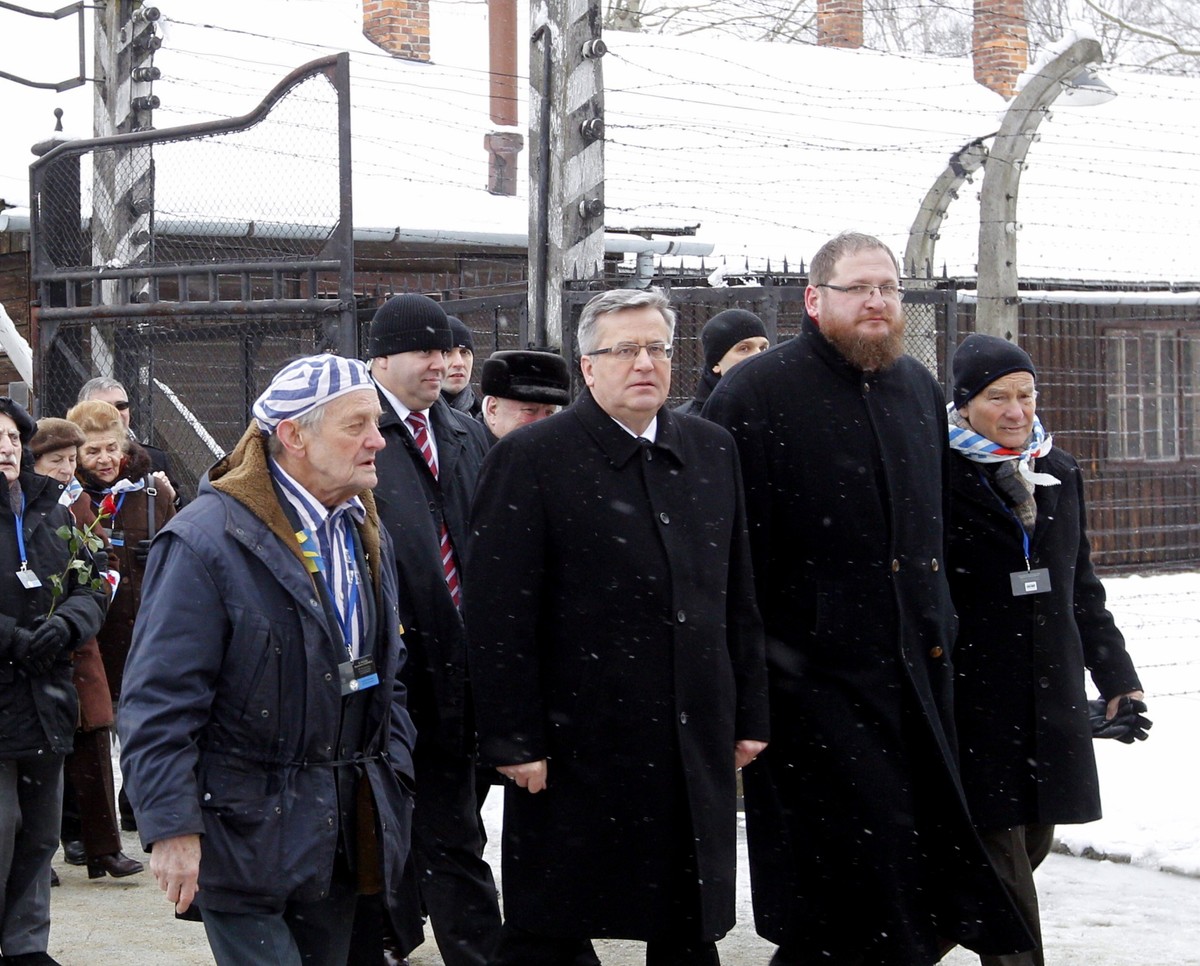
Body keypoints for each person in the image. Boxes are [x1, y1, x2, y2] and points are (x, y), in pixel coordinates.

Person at [703, 231, 1032, 965]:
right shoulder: (756, 392)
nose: (879, 301)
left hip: (917, 675)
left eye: (889, 288)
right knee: (843, 889)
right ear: (815, 300)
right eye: (860, 288)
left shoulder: (915, 385)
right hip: (811, 687)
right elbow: (723, 547)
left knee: (914, 878)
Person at [466, 288, 769, 966]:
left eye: (657, 348)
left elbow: (737, 593)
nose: (644, 364)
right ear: (588, 365)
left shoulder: (711, 450)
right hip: (578, 738)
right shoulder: (532, 458)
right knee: (555, 919)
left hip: (691, 729)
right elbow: (497, 614)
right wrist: (513, 737)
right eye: (624, 350)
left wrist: (748, 709)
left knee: (687, 920)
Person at [118, 354, 417, 966]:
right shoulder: (207, 540)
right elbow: (158, 699)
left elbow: (390, 676)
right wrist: (172, 827)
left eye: (378, 423)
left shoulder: (365, 529)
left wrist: (395, 773)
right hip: (241, 831)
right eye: (357, 424)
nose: (377, 441)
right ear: (294, 436)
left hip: (340, 831)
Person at [945, 334, 1149, 966]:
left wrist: (1116, 676)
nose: (1016, 412)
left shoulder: (1058, 472)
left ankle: (884, 946)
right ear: (963, 404)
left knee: (1024, 847)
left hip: (1048, 698)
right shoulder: (933, 472)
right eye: (997, 397)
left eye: (1026, 395)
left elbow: (1081, 587)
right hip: (971, 700)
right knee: (1000, 862)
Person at [366, 294, 497, 966]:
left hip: (460, 669)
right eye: (424, 351)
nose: (439, 363)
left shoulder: (464, 432)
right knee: (386, 826)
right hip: (386, 671)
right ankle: (391, 929)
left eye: (445, 351)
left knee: (453, 831)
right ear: (382, 357)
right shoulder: (357, 433)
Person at [1, 397, 107, 966]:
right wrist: (13, 640)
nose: (7, 448)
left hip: (46, 696)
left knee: (40, 836)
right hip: (3, 688)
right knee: (0, 832)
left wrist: (66, 624)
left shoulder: (56, 513)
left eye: (14, 439)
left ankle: (25, 947)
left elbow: (94, 583)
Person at [27, 419, 142, 882]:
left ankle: (102, 848)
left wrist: (91, 595)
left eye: (70, 460)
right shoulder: (25, 509)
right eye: (56, 461)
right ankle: (44, 851)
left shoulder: (80, 504)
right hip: (35, 649)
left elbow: (103, 560)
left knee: (93, 742)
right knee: (42, 757)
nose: (66, 469)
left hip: (80, 642)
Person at [64, 400, 176, 834]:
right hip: (95, 637)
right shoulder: (68, 499)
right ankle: (89, 829)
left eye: (111, 448)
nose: (105, 460)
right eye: (92, 452)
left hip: (146, 632)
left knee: (144, 731)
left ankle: (138, 809)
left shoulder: (153, 494)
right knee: (93, 736)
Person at [75, 377, 174, 487]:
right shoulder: (65, 464)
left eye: (121, 406)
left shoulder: (155, 459)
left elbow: (181, 503)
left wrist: (170, 495)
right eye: (104, 407)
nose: (116, 413)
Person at [674, 309, 770, 416]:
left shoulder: (781, 408)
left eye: (763, 348)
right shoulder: (690, 424)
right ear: (716, 364)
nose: (758, 355)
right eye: (744, 349)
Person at [477, 348, 571, 444]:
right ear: (492, 409)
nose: (543, 421)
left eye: (549, 412)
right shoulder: (468, 454)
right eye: (530, 410)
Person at [442, 317, 482, 418]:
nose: (459, 363)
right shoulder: (417, 421)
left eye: (464, 352)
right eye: (447, 352)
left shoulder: (484, 418)